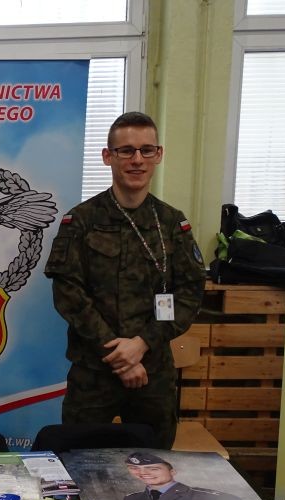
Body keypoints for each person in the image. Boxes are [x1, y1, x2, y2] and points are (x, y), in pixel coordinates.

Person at [44, 112, 206, 449]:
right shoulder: (81, 221)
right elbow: (68, 294)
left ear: (158, 155)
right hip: (94, 373)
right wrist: (119, 355)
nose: (137, 160)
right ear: (108, 156)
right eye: (126, 150)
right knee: (78, 463)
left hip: (153, 374)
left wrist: (141, 344)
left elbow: (189, 293)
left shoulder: (172, 224)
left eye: (147, 150)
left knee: (154, 468)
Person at [122, 452, 253, 500]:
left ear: (173, 472)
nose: (143, 473)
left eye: (153, 469)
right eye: (134, 468)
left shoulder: (211, 498)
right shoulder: (131, 499)